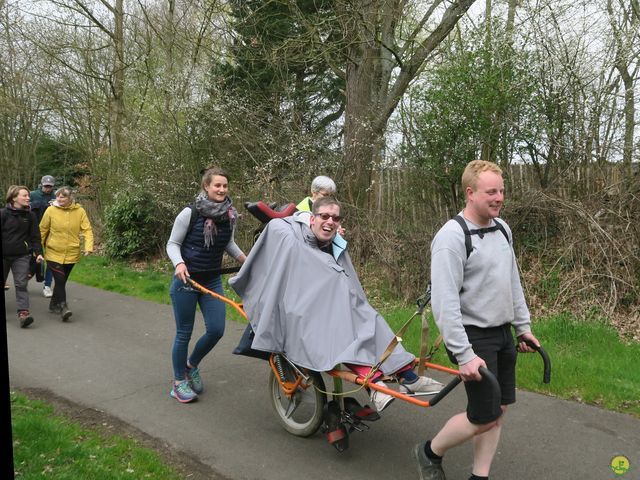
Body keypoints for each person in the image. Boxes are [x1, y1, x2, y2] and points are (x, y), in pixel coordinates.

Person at [230, 197, 442, 413]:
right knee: (340, 336)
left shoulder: (334, 245)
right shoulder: (290, 235)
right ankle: (375, 384)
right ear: (312, 218)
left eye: (335, 218)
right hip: (300, 312)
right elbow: (277, 231)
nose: (330, 222)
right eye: (324, 216)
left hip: (331, 307)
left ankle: (407, 374)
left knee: (369, 318)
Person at [414, 160, 541, 480]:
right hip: (471, 337)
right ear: (470, 193)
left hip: (501, 333)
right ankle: (429, 452)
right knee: (483, 415)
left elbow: (512, 281)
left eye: (501, 191)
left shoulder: (502, 229)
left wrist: (522, 327)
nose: (499, 198)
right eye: (491, 192)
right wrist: (464, 353)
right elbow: (444, 304)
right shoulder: (451, 238)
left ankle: (479, 476)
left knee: (498, 411)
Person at [166, 167, 247, 403]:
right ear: (206, 187)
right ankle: (178, 381)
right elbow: (172, 244)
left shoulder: (230, 215)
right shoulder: (189, 213)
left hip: (211, 279)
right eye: (217, 185)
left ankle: (191, 366)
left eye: (225, 186)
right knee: (184, 333)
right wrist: (179, 264)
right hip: (186, 281)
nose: (221, 189)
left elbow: (228, 243)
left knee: (216, 330)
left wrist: (246, 260)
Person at [39, 187, 94, 322]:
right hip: (53, 252)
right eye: (58, 196)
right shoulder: (50, 210)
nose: (59, 199)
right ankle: (63, 307)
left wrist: (88, 247)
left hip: (72, 252)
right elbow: (42, 230)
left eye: (63, 197)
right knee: (60, 279)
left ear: (70, 198)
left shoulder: (79, 211)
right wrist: (37, 250)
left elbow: (87, 230)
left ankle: (53, 304)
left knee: (61, 282)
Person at [2, 186, 44, 328]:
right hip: (4, 255)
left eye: (28, 196)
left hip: (22, 255)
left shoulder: (30, 216)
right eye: (24, 195)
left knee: (21, 284)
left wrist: (38, 253)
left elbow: (35, 237)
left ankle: (23, 314)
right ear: (14, 198)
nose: (28, 198)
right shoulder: (3, 214)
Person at [30, 175, 56, 298]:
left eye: (50, 186)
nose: (48, 188)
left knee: (50, 259)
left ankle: (47, 286)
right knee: (33, 258)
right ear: (41, 184)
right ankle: (29, 274)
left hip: (51, 232)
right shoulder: (33, 195)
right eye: (46, 186)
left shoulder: (56, 196)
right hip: (34, 232)